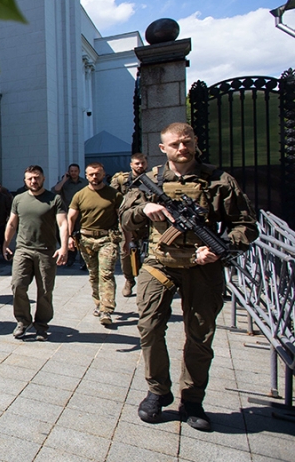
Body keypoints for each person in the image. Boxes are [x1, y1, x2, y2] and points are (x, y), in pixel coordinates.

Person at [121, 122, 257, 431]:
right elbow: (125, 216)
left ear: (195, 141)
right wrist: (146, 209)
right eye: (175, 144)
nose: (182, 148)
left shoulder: (218, 181)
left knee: (200, 336)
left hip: (203, 267)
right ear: (163, 148)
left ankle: (193, 399)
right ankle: (157, 391)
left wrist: (221, 250)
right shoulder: (150, 181)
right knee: (150, 327)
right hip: (160, 263)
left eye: (187, 142)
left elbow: (246, 224)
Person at [3, 166, 68, 341]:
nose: (33, 181)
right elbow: (11, 223)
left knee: (45, 290)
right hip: (23, 250)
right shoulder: (18, 199)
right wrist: (5, 244)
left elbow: (63, 224)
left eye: (37, 178)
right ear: (25, 180)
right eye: (30, 178)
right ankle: (23, 321)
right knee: (18, 285)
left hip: (46, 252)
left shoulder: (54, 199)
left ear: (43, 178)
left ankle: (41, 325)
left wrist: (63, 247)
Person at [67, 162, 123, 326]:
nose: (94, 177)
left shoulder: (114, 195)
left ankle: (106, 309)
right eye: (91, 174)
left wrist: (127, 240)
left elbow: (123, 217)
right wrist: (69, 237)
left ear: (104, 173)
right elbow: (71, 217)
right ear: (86, 175)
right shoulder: (80, 195)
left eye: (97, 173)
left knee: (106, 273)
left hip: (107, 239)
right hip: (86, 239)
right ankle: (98, 302)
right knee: (94, 274)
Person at [110, 152, 149, 297]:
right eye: (137, 163)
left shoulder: (152, 179)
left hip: (147, 222)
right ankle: (129, 280)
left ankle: (146, 282)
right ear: (131, 164)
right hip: (127, 222)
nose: (140, 166)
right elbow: (112, 199)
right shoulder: (121, 179)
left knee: (149, 254)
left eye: (142, 163)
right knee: (126, 253)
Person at [53, 163, 85, 267]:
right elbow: (55, 190)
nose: (73, 173)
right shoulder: (65, 183)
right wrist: (63, 180)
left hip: (81, 214)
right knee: (68, 235)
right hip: (67, 213)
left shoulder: (84, 182)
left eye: (75, 171)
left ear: (79, 171)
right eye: (71, 171)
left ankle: (83, 261)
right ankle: (70, 258)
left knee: (81, 236)